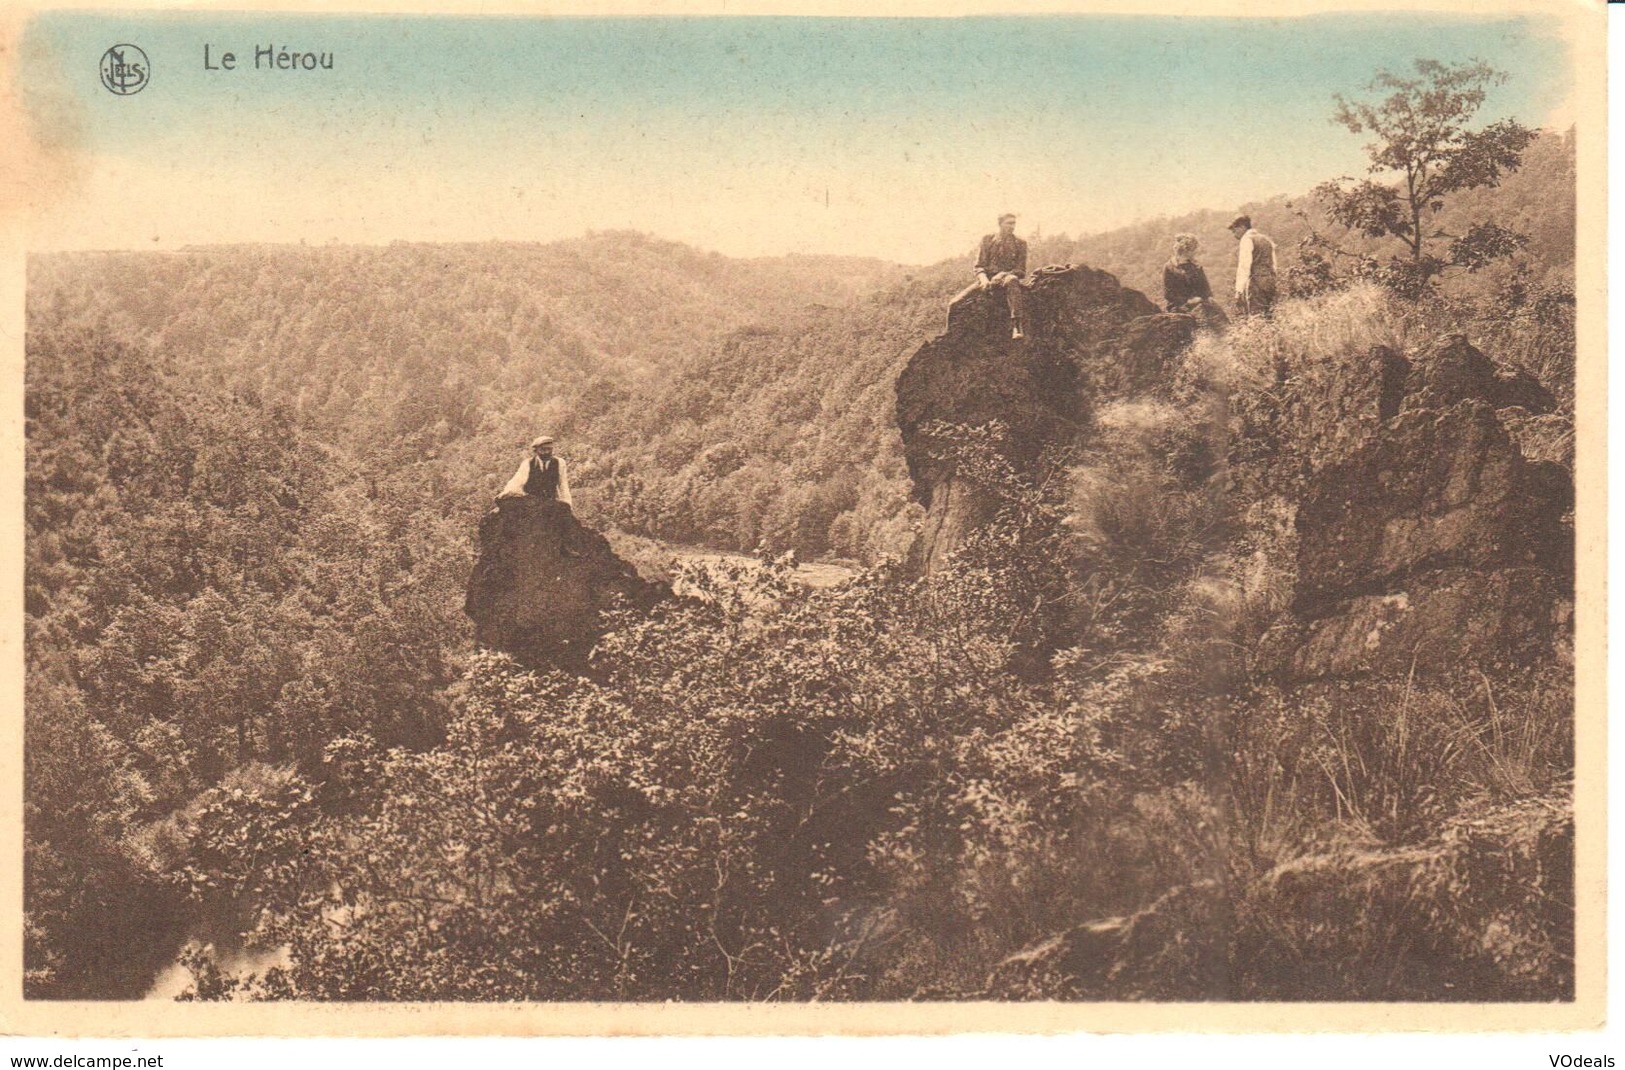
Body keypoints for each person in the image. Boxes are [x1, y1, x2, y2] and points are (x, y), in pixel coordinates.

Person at [952, 212, 1030, 340]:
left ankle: (1016, 325)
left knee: (1013, 280)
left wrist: (1003, 274)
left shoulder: (1020, 243)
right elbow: (979, 266)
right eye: (1008, 223)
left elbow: (1021, 270)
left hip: (1007, 278)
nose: (1012, 226)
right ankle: (949, 336)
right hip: (987, 279)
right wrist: (984, 280)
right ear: (1000, 224)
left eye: (1014, 223)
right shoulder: (987, 239)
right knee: (954, 304)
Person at [497, 435, 573, 506]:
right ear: (535, 451)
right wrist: (505, 494)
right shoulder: (528, 463)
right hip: (530, 504)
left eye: (549, 449)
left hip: (550, 503)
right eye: (543, 449)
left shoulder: (560, 463)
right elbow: (516, 482)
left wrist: (567, 503)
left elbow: (563, 485)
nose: (547, 452)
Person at [1228, 214, 1278, 317]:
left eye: (1234, 230)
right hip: (1270, 281)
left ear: (1242, 227)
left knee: (1257, 315)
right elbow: (1274, 264)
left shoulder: (1246, 239)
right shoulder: (1266, 239)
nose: (1234, 235)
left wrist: (1239, 290)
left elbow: (1244, 266)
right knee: (1270, 314)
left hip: (1256, 282)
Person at [1162, 233, 1212, 312]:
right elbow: (1169, 294)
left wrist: (1202, 298)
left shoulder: (1196, 266)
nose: (1195, 252)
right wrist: (1188, 301)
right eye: (1193, 249)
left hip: (1199, 304)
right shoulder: (1170, 267)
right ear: (1185, 250)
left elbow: (1206, 290)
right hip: (1178, 306)